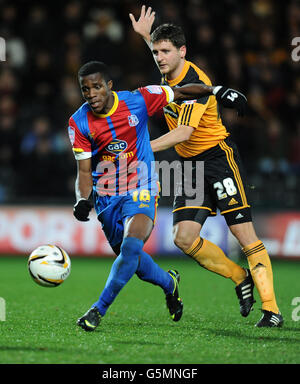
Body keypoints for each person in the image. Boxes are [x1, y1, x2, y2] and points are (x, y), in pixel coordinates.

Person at [129, 6, 283, 327]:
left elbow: (183, 132)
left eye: (165, 52)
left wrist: (140, 149)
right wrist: (147, 36)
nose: (159, 58)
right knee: (183, 238)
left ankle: (272, 309)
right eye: (156, 52)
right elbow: (162, 55)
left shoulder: (196, 81)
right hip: (189, 166)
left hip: (217, 159)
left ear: (182, 52)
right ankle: (239, 277)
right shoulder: (169, 70)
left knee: (245, 235)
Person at [68, 60, 247, 331]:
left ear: (109, 86)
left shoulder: (138, 100)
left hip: (142, 186)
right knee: (133, 262)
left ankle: (97, 310)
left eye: (97, 87)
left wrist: (216, 90)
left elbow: (181, 91)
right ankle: (169, 283)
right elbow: (83, 171)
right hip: (106, 196)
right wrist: (82, 199)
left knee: (130, 248)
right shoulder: (78, 122)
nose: (92, 94)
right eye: (85, 90)